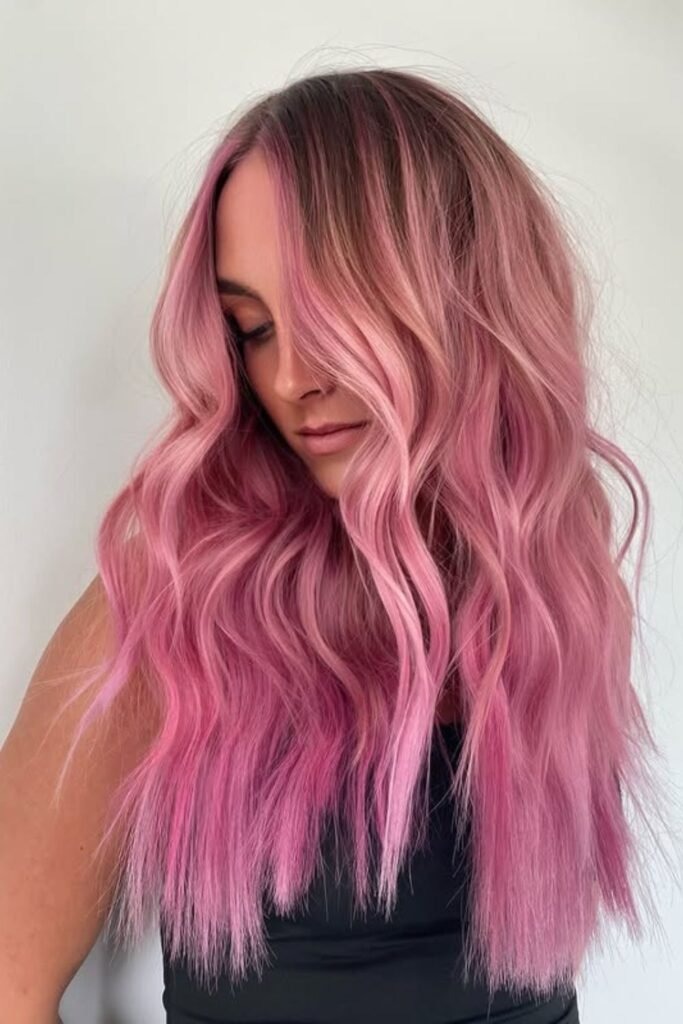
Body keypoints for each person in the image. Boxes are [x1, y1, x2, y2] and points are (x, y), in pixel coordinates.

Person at [0, 67, 669, 1024]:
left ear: (464, 298)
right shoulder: (176, 603)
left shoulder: (555, 593)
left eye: (331, 319)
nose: (290, 378)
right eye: (253, 329)